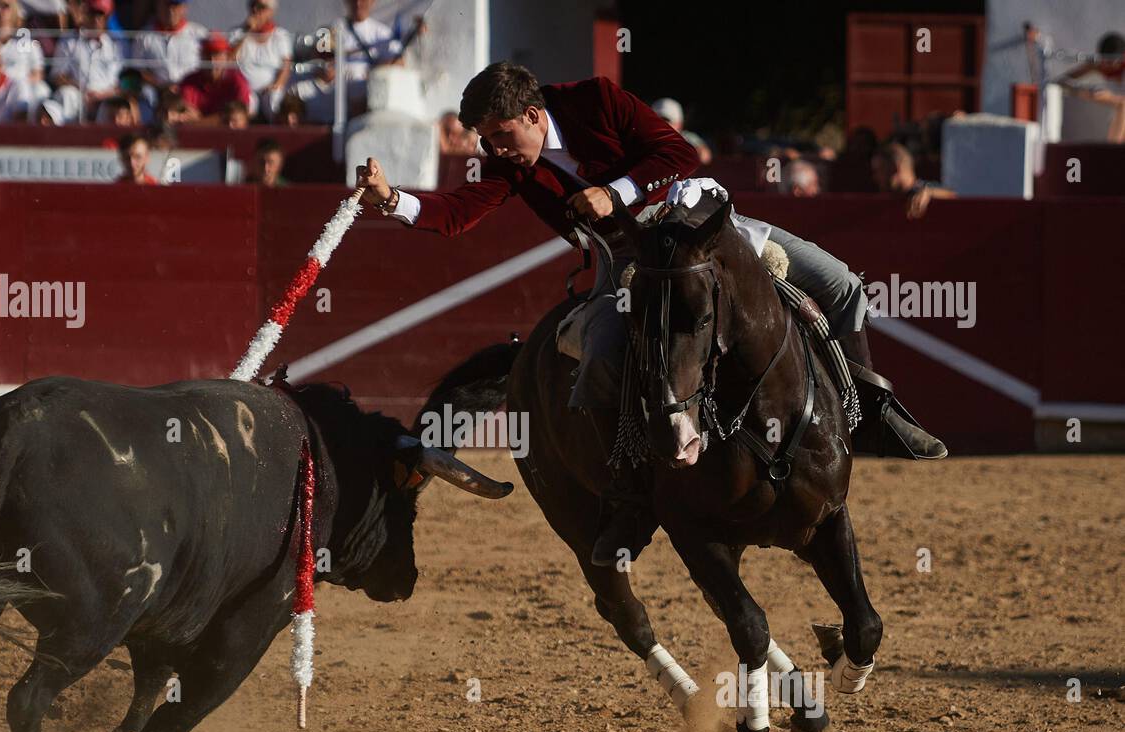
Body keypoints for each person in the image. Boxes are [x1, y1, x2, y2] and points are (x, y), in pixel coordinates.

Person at [356, 63, 946, 566]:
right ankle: (629, 496)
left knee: (842, 286)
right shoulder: (510, 161)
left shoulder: (596, 100)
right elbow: (458, 212)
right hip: (627, 261)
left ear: (535, 115)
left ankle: (870, 411)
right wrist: (391, 199)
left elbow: (678, 154)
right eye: (487, 140)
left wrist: (615, 193)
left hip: (696, 231)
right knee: (600, 358)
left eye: (503, 134)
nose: (496, 150)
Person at [50, 0, 123, 122]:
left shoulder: (117, 44)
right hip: (78, 95)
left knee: (115, 104)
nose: (96, 19)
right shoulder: (69, 40)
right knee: (66, 95)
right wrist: (83, 92)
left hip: (106, 98)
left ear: (107, 17)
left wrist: (102, 96)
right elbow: (57, 76)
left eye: (100, 14)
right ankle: (68, 136)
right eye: (92, 13)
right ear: (85, 14)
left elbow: (122, 81)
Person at [230, 0, 291, 120]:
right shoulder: (237, 32)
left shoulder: (280, 35)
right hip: (245, 87)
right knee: (244, 104)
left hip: (269, 89)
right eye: (253, 5)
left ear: (271, 12)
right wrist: (246, 31)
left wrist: (275, 85)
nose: (256, 10)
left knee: (275, 100)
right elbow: (229, 59)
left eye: (261, 7)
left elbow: (286, 67)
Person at [871, 141, 954, 219]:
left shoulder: (924, 190)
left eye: (879, 170)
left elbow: (952, 195)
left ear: (896, 168)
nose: (875, 177)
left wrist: (929, 193)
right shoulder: (883, 196)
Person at [180, 33, 249, 120]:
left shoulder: (237, 81)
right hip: (196, 133)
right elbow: (185, 116)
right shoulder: (189, 81)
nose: (212, 60)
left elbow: (238, 119)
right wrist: (221, 119)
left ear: (227, 57)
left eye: (217, 54)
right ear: (201, 56)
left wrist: (200, 121)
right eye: (207, 54)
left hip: (228, 133)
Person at [650, 96, 712, 166]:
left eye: (667, 121)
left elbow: (704, 156)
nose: (662, 125)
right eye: (658, 120)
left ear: (679, 124)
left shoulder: (688, 138)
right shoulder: (645, 138)